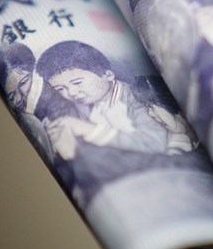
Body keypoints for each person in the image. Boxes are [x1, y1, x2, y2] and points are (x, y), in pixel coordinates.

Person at [35, 41, 170, 160]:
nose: (71, 93)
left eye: (77, 82)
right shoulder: (84, 106)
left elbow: (155, 144)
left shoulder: (137, 98)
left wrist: (88, 130)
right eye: (60, 89)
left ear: (107, 75)